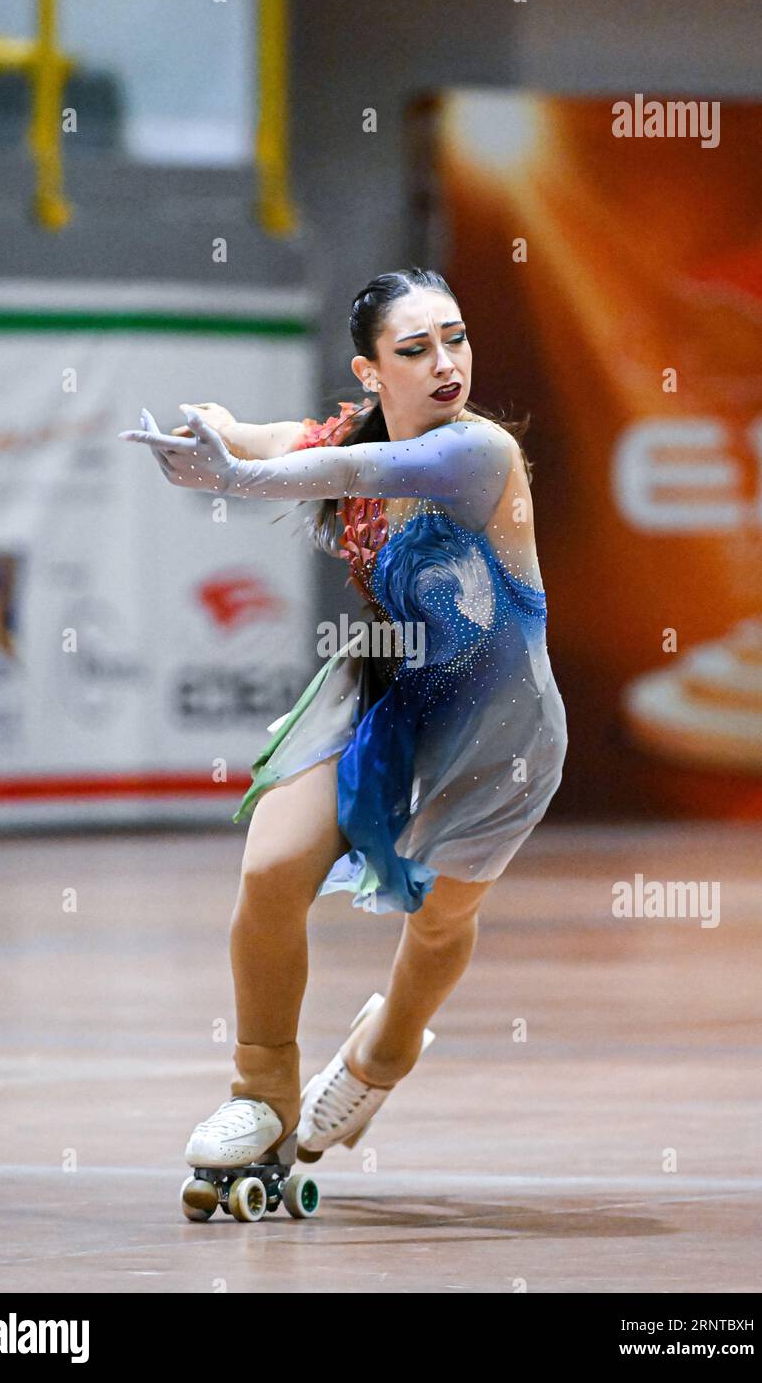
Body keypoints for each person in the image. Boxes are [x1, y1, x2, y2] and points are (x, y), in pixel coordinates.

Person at [119, 267, 567, 1171]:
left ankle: (382, 1055)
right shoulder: (350, 434)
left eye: (456, 338)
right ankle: (260, 1094)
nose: (446, 363)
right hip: (380, 692)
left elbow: (354, 466)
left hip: (495, 736)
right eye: (414, 350)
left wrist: (242, 477)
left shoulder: (479, 456)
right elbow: (295, 440)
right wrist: (210, 434)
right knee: (272, 872)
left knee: (438, 921)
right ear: (370, 373)